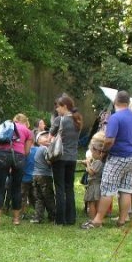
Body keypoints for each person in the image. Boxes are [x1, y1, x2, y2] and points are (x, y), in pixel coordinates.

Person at [82, 91, 132, 229]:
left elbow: (109, 140)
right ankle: (121, 220)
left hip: (119, 157)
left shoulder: (115, 117)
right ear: (127, 102)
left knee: (108, 189)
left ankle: (97, 220)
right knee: (125, 189)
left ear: (115, 102)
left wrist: (103, 151)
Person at [0, 113, 33, 228]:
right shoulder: (28, 131)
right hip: (18, 157)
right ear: (25, 121)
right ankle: (16, 219)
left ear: (15, 120)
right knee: (16, 188)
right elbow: (27, 151)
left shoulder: (5, 125)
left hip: (2, 155)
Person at [49, 93, 82, 226]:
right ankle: (71, 218)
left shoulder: (60, 120)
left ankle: (60, 219)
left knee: (60, 188)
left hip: (60, 156)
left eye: (58, 107)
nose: (57, 109)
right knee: (69, 188)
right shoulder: (77, 120)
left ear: (65, 106)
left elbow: (50, 138)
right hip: (72, 158)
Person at [30, 131, 56, 223]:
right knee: (48, 196)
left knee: (38, 197)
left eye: (48, 136)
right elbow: (49, 161)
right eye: (44, 137)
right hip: (44, 176)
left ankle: (38, 217)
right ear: (38, 140)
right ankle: (53, 216)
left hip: (35, 175)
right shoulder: (45, 149)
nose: (47, 138)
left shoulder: (38, 149)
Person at [81, 132, 106, 220]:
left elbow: (91, 172)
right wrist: (87, 164)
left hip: (94, 185)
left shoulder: (98, 162)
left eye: (92, 152)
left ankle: (92, 219)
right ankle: (97, 219)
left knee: (92, 203)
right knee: (96, 203)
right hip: (96, 185)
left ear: (97, 151)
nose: (91, 154)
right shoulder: (97, 161)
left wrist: (88, 163)